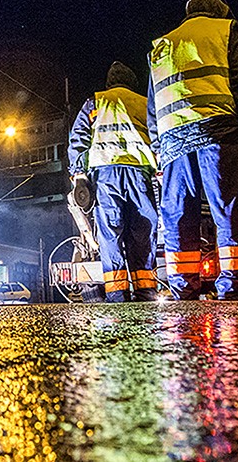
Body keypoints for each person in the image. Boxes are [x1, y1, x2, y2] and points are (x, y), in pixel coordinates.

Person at [146, 0, 238, 300]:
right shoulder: (226, 30)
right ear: (218, 11)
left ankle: (184, 287)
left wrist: (159, 148)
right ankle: (235, 285)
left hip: (173, 146)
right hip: (218, 134)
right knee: (229, 209)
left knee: (178, 216)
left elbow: (153, 106)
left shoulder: (162, 45)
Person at [68, 61, 159, 303]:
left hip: (106, 176)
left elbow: (78, 138)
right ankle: (145, 291)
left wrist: (79, 175)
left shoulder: (96, 102)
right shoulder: (144, 102)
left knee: (110, 235)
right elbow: (158, 135)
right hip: (139, 174)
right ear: (132, 82)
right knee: (143, 232)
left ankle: (117, 294)